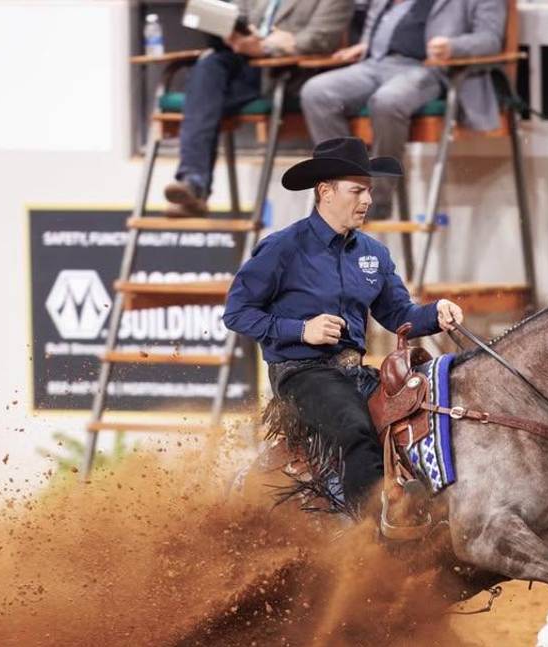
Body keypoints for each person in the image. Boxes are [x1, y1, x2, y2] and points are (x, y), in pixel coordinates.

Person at [223, 137, 463, 529]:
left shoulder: (373, 253)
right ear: (325, 192)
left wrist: (436, 313)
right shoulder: (283, 248)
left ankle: (435, 509)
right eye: (357, 190)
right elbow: (237, 313)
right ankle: (378, 529)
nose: (367, 199)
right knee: (353, 427)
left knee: (425, 408)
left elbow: (398, 314)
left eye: (368, 189)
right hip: (301, 374)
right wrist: (302, 329)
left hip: (355, 371)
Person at [299, 0, 506, 219]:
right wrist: (369, 45)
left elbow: (491, 39)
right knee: (317, 93)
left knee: (387, 101)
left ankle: (376, 198)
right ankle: (343, 190)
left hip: (428, 68)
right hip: (376, 64)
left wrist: (454, 46)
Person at [164, 0, 353, 218]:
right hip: (241, 62)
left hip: (284, 73)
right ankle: (193, 181)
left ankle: (195, 188)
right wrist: (235, 34)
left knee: (203, 96)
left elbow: (322, 38)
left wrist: (267, 45)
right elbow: (238, 15)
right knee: (207, 68)